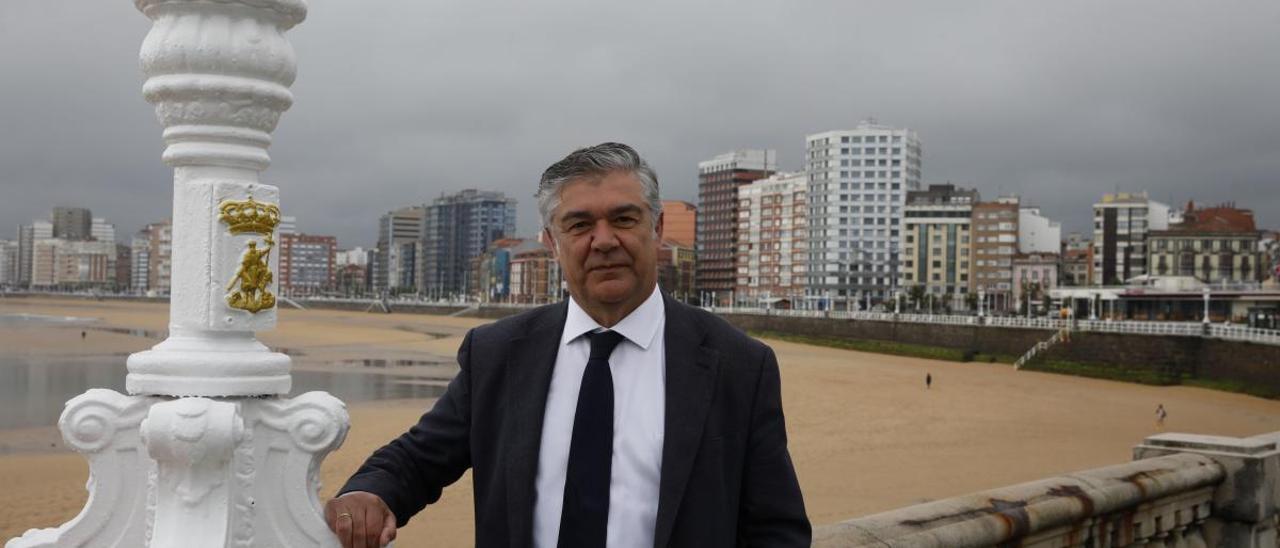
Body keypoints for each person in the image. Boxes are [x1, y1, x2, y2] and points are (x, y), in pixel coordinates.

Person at [325, 143, 810, 548]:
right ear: (551, 242)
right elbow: (418, 459)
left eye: (624, 219)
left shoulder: (739, 365)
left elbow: (776, 528)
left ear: (657, 229)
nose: (604, 241)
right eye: (579, 225)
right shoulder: (498, 354)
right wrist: (369, 493)